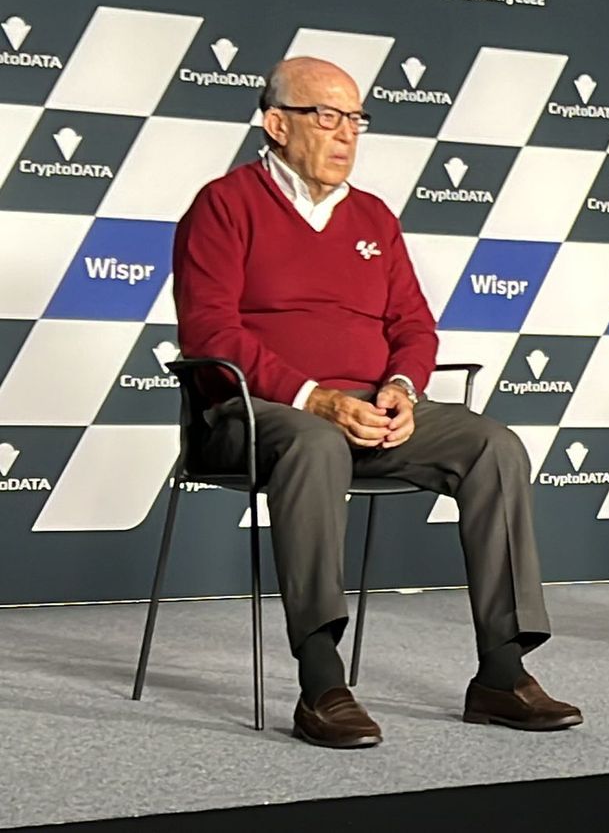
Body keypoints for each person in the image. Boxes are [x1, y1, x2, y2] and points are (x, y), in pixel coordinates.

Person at [172, 57, 581, 747]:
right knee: (314, 440)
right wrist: (316, 399)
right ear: (277, 124)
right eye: (326, 116)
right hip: (252, 415)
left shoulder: (372, 216)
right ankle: (322, 681)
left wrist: (400, 389)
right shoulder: (224, 204)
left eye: (355, 119)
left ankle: (502, 675)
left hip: (367, 409)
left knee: (493, 445)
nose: (346, 134)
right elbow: (210, 332)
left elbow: (413, 326)